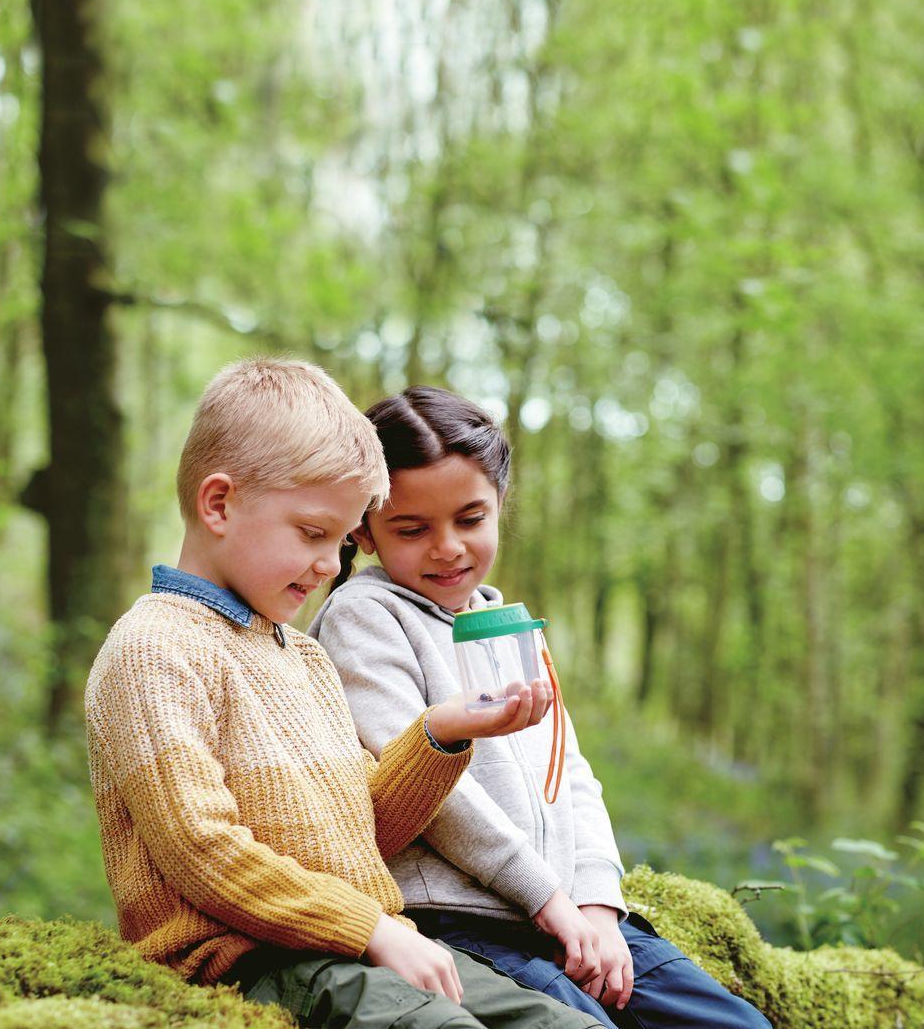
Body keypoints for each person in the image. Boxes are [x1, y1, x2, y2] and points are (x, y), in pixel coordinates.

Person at [86, 359, 604, 1029]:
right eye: (312, 533)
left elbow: (367, 830)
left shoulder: (301, 655)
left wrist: (441, 732)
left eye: (341, 537)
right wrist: (372, 929)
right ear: (219, 504)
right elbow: (205, 852)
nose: (333, 564)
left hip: (357, 944)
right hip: (252, 961)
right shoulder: (153, 648)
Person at [310, 385, 771, 1029]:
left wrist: (598, 907)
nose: (447, 548)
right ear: (364, 526)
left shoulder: (506, 624)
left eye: (470, 519)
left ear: (499, 504)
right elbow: (422, 787)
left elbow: (571, 774)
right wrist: (546, 899)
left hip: (563, 915)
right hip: (459, 923)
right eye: (412, 529)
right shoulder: (364, 619)